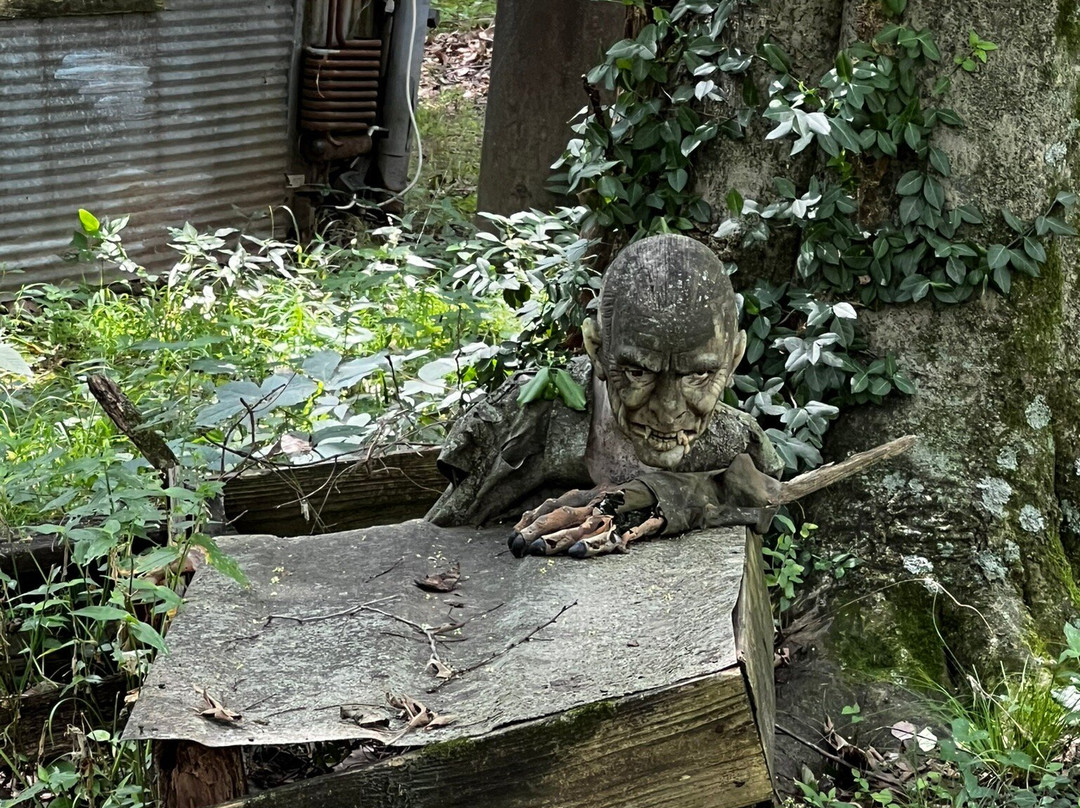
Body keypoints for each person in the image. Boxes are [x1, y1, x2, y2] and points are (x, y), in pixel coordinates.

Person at [426, 233, 785, 558]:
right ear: (596, 350)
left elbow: (762, 500)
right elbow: (438, 536)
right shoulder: (521, 418)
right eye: (639, 372)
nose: (668, 411)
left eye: (698, 375)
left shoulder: (738, 445)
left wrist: (659, 495)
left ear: (733, 359)